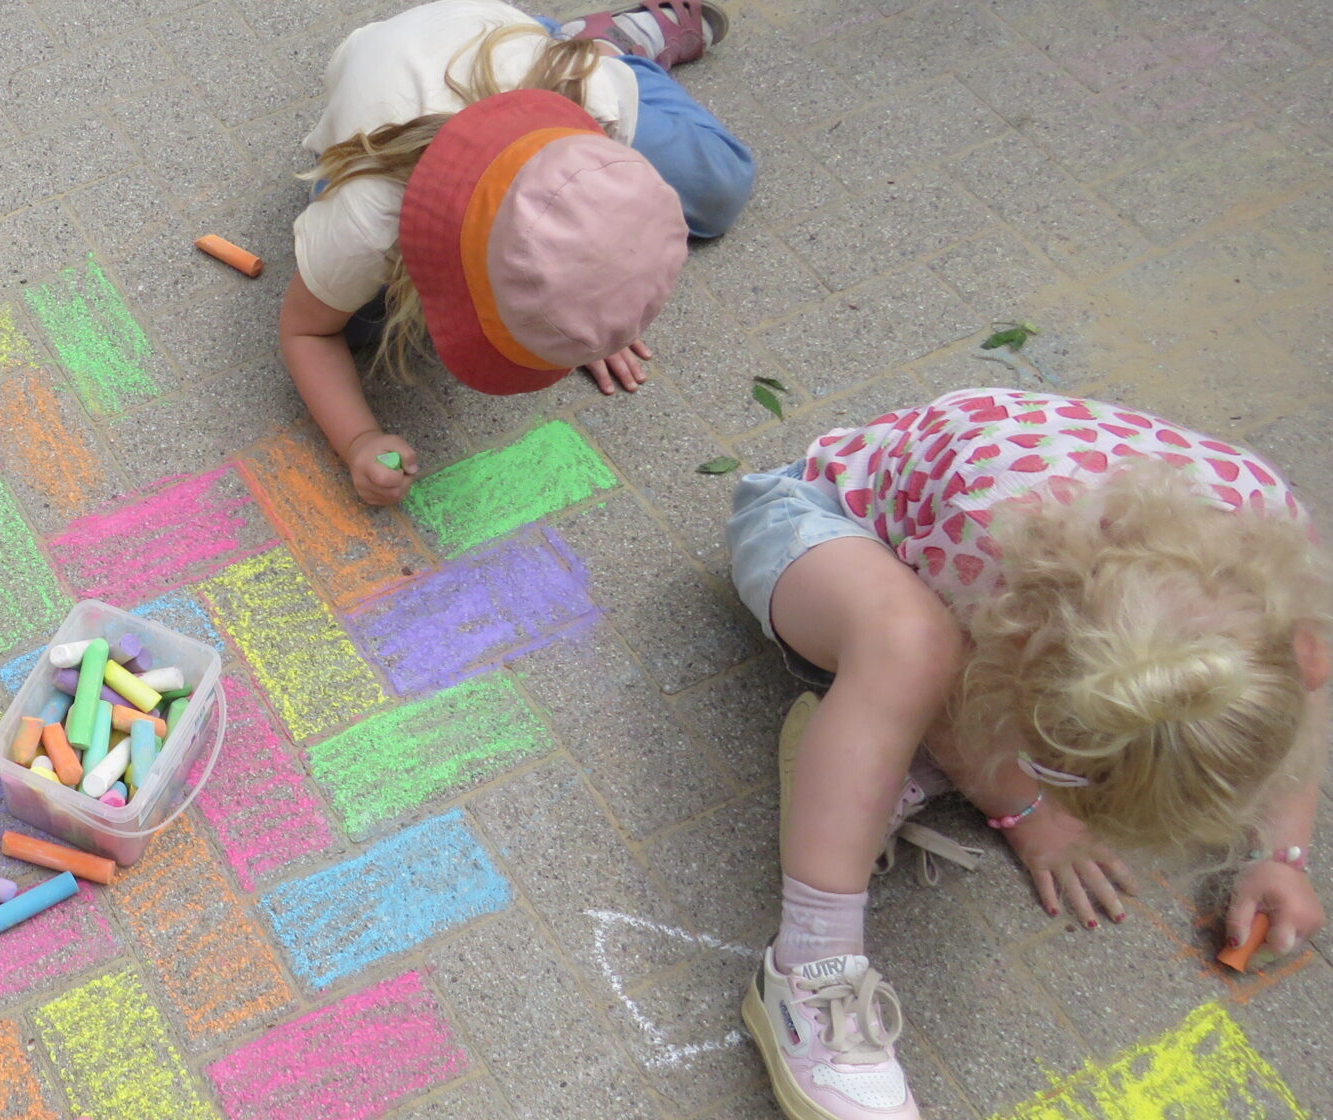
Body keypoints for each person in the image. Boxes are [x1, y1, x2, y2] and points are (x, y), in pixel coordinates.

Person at [725, 387, 1328, 1120]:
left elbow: (1292, 694)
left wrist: (1281, 853)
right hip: (813, 523)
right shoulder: (998, 550)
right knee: (916, 654)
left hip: (998, 571)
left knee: (925, 673)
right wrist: (1028, 813)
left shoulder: (1270, 574)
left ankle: (850, 762)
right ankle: (807, 966)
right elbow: (960, 708)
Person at [284, 0, 754, 505]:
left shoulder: (587, 109)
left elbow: (599, 213)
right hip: (382, 118)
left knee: (721, 188)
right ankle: (600, 45)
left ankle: (597, 45)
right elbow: (306, 330)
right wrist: (359, 440)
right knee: (359, 321)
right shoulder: (369, 219)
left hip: (531, 62)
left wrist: (592, 304)